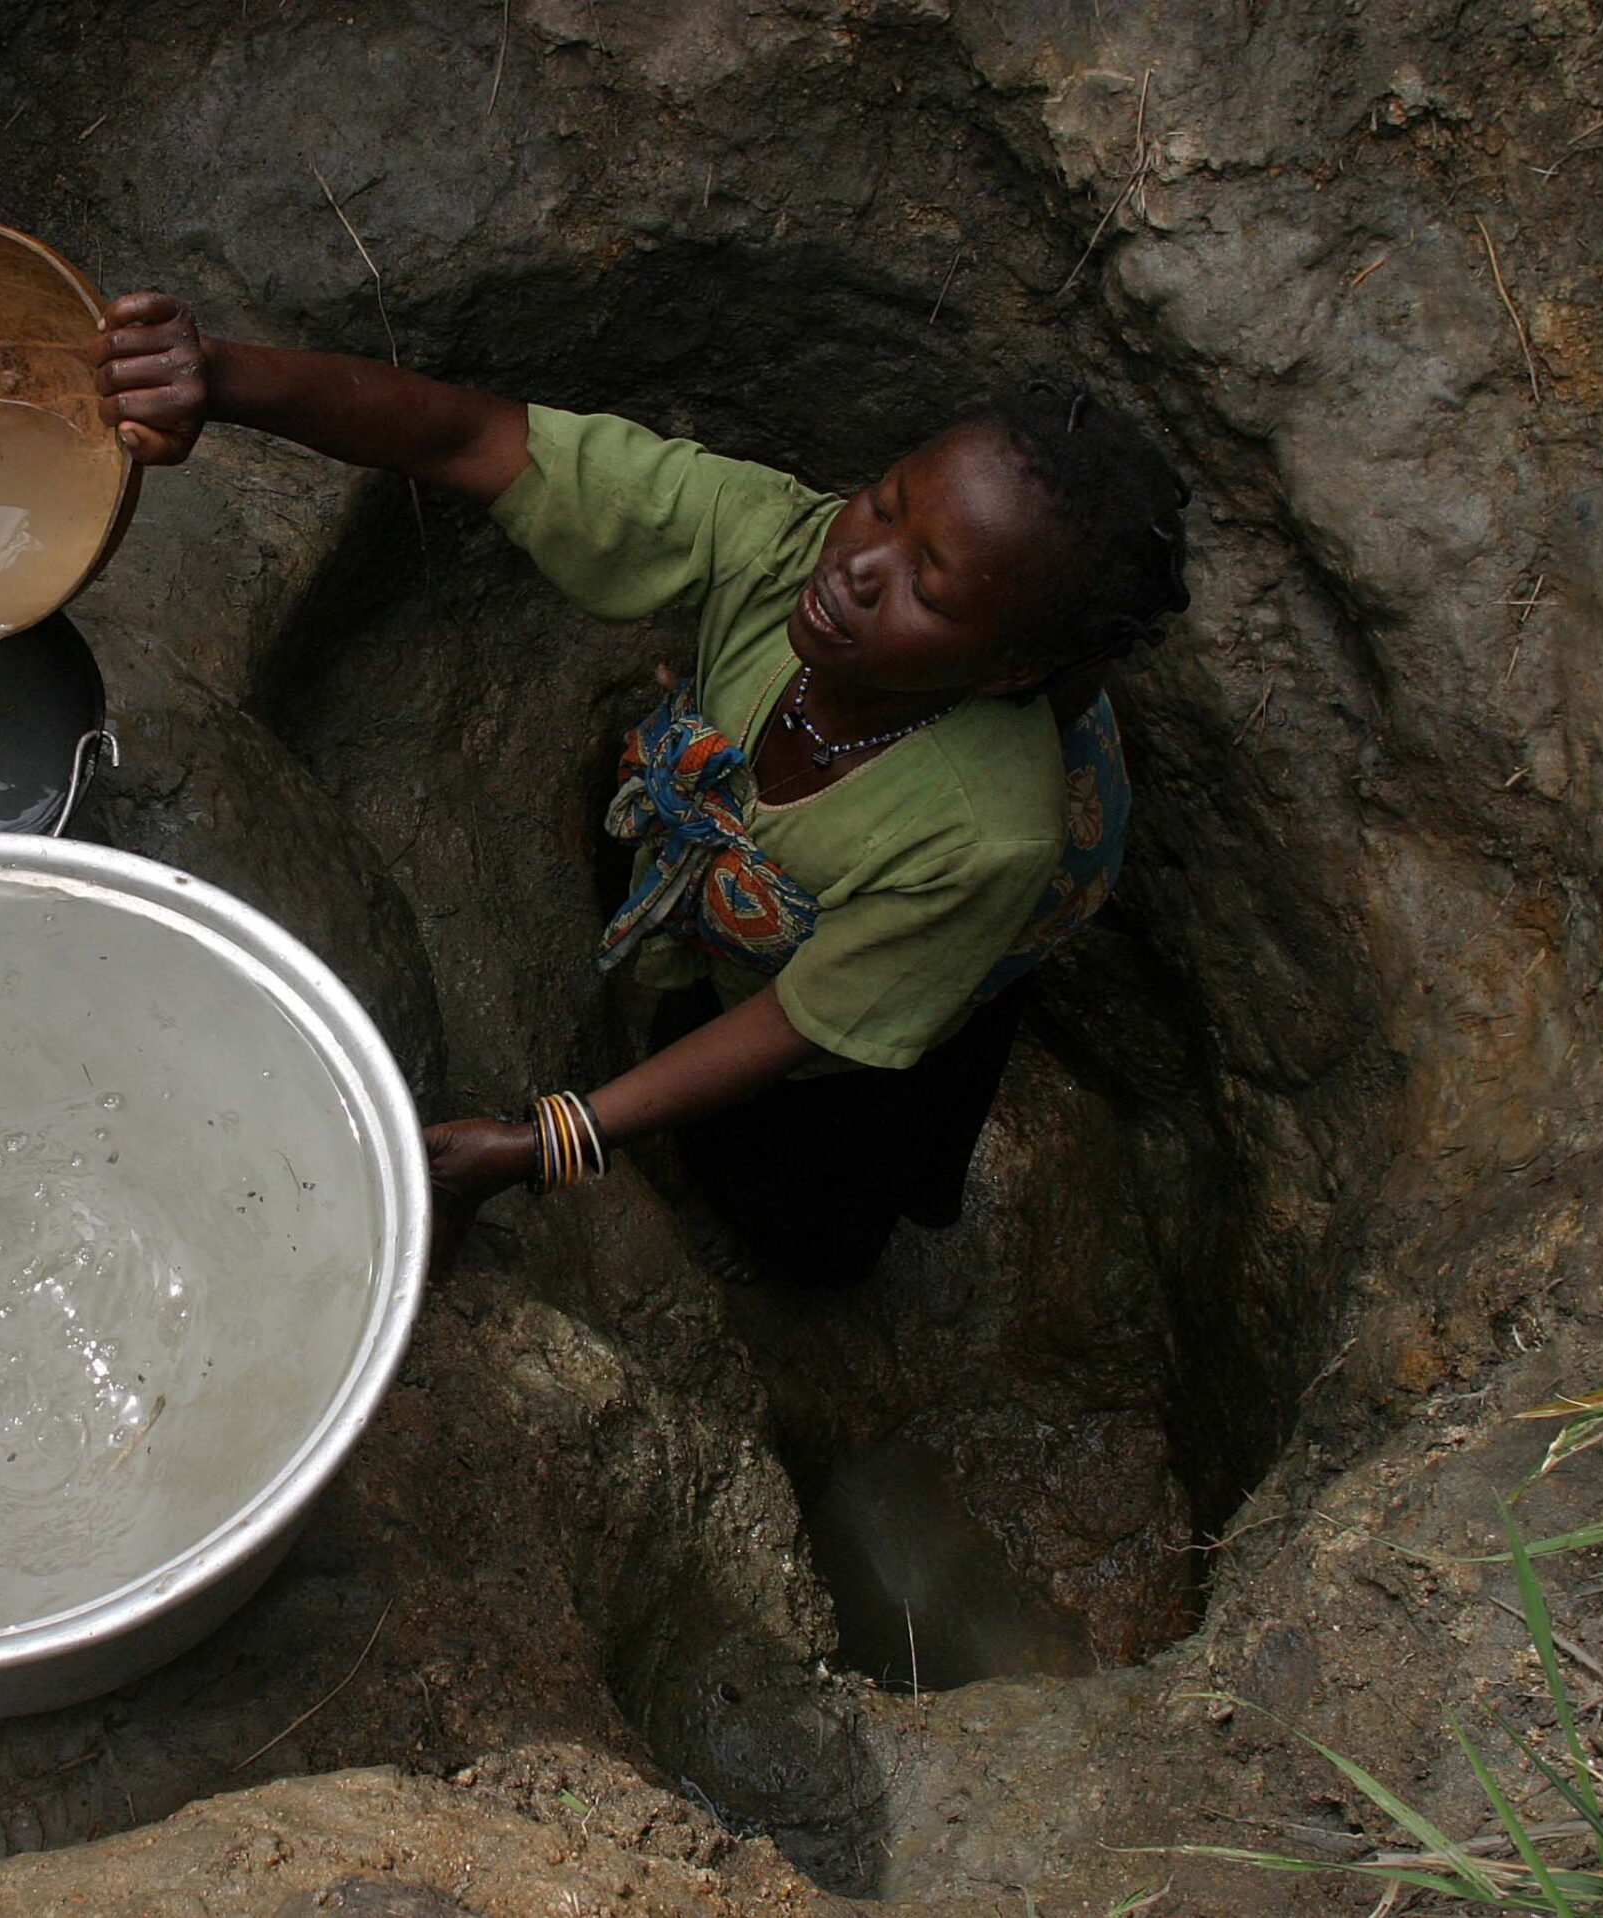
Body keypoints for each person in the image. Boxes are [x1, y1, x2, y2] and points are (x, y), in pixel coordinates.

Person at [94, 292, 1190, 1284]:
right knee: (702, 1021)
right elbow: (473, 437)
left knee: (822, 1176)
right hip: (864, 856)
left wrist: (550, 1141)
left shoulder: (985, 841)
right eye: (885, 503)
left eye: (928, 591)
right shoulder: (778, 540)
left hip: (958, 930)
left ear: (1004, 671)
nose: (858, 564)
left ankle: (814, 1255)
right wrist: (222, 376)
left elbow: (803, 1020)